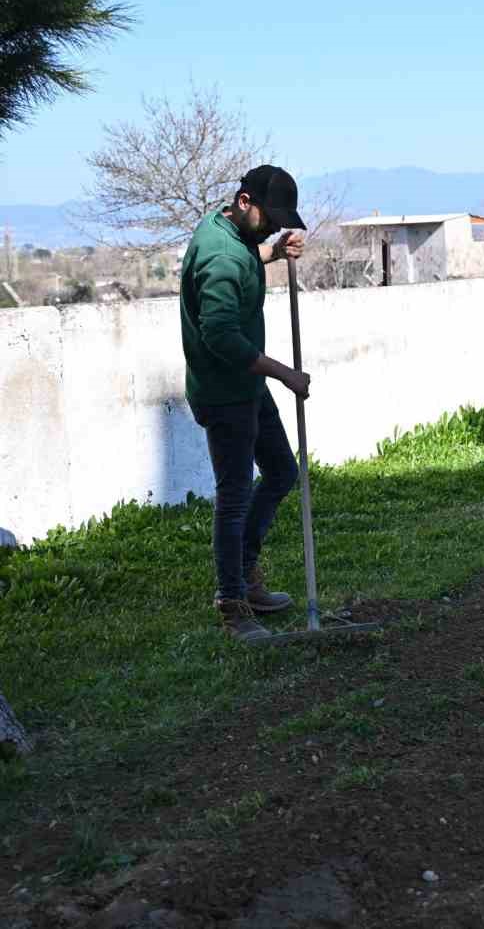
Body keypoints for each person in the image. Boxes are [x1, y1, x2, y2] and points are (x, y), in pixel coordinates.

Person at [180, 165, 311, 641]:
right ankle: (232, 603)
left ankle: (247, 572)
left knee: (280, 472)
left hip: (247, 387)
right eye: (270, 218)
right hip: (225, 392)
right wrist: (286, 375)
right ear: (243, 200)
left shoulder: (223, 229)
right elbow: (220, 336)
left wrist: (271, 253)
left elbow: (243, 256)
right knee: (234, 496)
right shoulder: (219, 255)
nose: (276, 224)